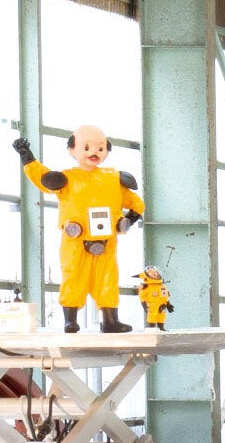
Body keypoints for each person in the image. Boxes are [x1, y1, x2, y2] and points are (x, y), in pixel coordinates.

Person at [16, 123, 145, 333]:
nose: (94, 152)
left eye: (100, 148)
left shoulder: (114, 179)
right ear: (71, 149)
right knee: (73, 278)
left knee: (107, 280)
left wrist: (129, 220)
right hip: (76, 242)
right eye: (86, 148)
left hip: (106, 243)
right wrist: (26, 156)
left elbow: (136, 203)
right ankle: (70, 320)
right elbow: (42, 178)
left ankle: (110, 320)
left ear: (107, 149)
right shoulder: (67, 178)